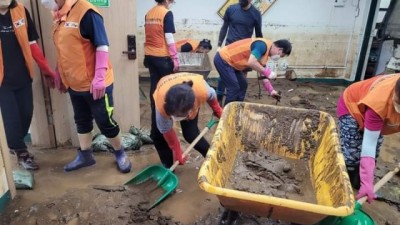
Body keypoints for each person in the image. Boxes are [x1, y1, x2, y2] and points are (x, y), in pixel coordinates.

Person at [42, 0, 131, 173]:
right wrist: (59, 72)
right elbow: (64, 48)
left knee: (105, 121)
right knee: (81, 119)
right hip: (74, 82)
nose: (44, 3)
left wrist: (99, 76)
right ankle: (86, 155)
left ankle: (120, 152)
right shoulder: (59, 15)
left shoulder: (87, 12)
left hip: (95, 83)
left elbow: (102, 45)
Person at [0, 0, 57, 170]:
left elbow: (32, 44)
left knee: (26, 113)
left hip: (23, 75)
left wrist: (46, 70)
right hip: (2, 82)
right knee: (11, 119)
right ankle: (20, 152)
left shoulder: (21, 11)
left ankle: (14, 145)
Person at [336, 73, 400, 203]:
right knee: (352, 152)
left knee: (375, 150)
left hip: (378, 112)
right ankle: (346, 186)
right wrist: (367, 182)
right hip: (352, 106)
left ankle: (359, 182)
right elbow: (369, 144)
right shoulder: (379, 102)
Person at [152, 72, 222, 168]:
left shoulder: (202, 91)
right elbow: (165, 130)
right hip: (164, 85)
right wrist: (177, 151)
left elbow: (212, 96)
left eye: (181, 116)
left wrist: (218, 111)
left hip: (191, 94)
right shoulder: (161, 105)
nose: (178, 118)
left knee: (191, 135)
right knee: (158, 137)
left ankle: (211, 158)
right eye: (175, 115)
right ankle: (168, 167)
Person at [144, 0, 181, 165]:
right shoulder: (166, 13)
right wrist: (174, 57)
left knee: (154, 91)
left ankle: (155, 127)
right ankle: (164, 126)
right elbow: (169, 36)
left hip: (149, 56)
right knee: (166, 92)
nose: (172, 3)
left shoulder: (149, 13)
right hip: (162, 57)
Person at [214, 38, 291, 106]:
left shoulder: (265, 53)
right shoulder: (262, 46)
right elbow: (251, 62)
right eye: (281, 55)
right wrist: (268, 72)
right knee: (234, 88)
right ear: (279, 50)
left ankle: (237, 109)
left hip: (233, 64)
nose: (279, 58)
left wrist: (271, 91)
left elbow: (263, 76)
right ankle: (226, 114)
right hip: (223, 59)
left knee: (243, 85)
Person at [216, 0, 263, 105]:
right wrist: (219, 45)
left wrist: (260, 53)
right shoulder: (231, 9)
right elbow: (224, 27)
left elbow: (259, 34)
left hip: (244, 51)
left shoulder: (256, 14)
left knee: (241, 79)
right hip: (229, 49)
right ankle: (218, 98)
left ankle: (237, 102)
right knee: (223, 76)